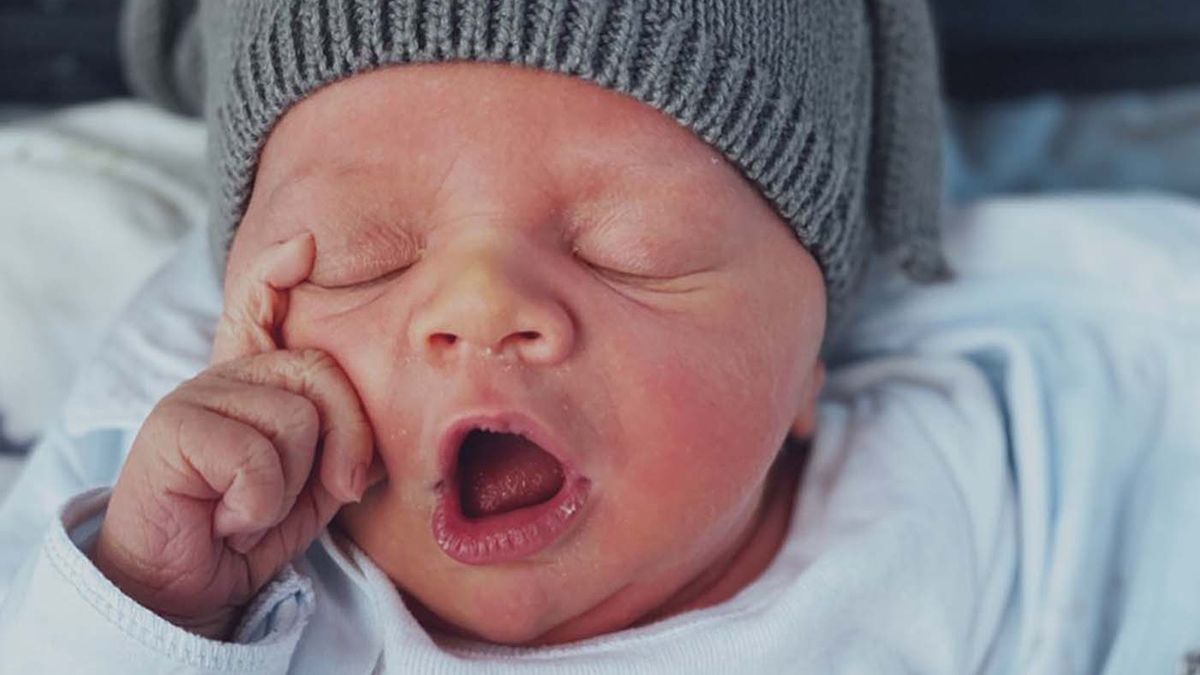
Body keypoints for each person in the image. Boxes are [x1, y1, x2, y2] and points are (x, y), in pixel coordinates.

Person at [0, 0, 1085, 672]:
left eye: (631, 246)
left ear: (809, 362)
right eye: (363, 254)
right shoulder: (177, 522)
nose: (479, 306)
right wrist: (153, 604)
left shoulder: (983, 494)